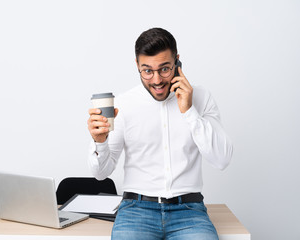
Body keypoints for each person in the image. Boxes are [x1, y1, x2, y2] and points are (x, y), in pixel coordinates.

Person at [87, 27, 233, 240]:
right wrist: (100, 142)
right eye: (147, 71)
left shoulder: (201, 97)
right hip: (136, 211)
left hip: (189, 211)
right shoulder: (123, 105)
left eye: (165, 69)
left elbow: (222, 160)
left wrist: (189, 111)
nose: (156, 80)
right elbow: (101, 173)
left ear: (177, 62)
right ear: (137, 65)